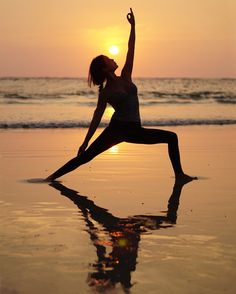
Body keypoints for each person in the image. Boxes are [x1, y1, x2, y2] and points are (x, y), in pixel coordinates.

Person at [46, 8, 196, 183]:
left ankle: (179, 176)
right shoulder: (106, 93)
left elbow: (130, 49)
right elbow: (97, 117)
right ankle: (51, 177)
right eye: (108, 59)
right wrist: (85, 141)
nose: (112, 58)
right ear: (104, 68)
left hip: (135, 130)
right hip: (116, 129)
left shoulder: (126, 75)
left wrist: (133, 26)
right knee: (86, 157)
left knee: (171, 137)